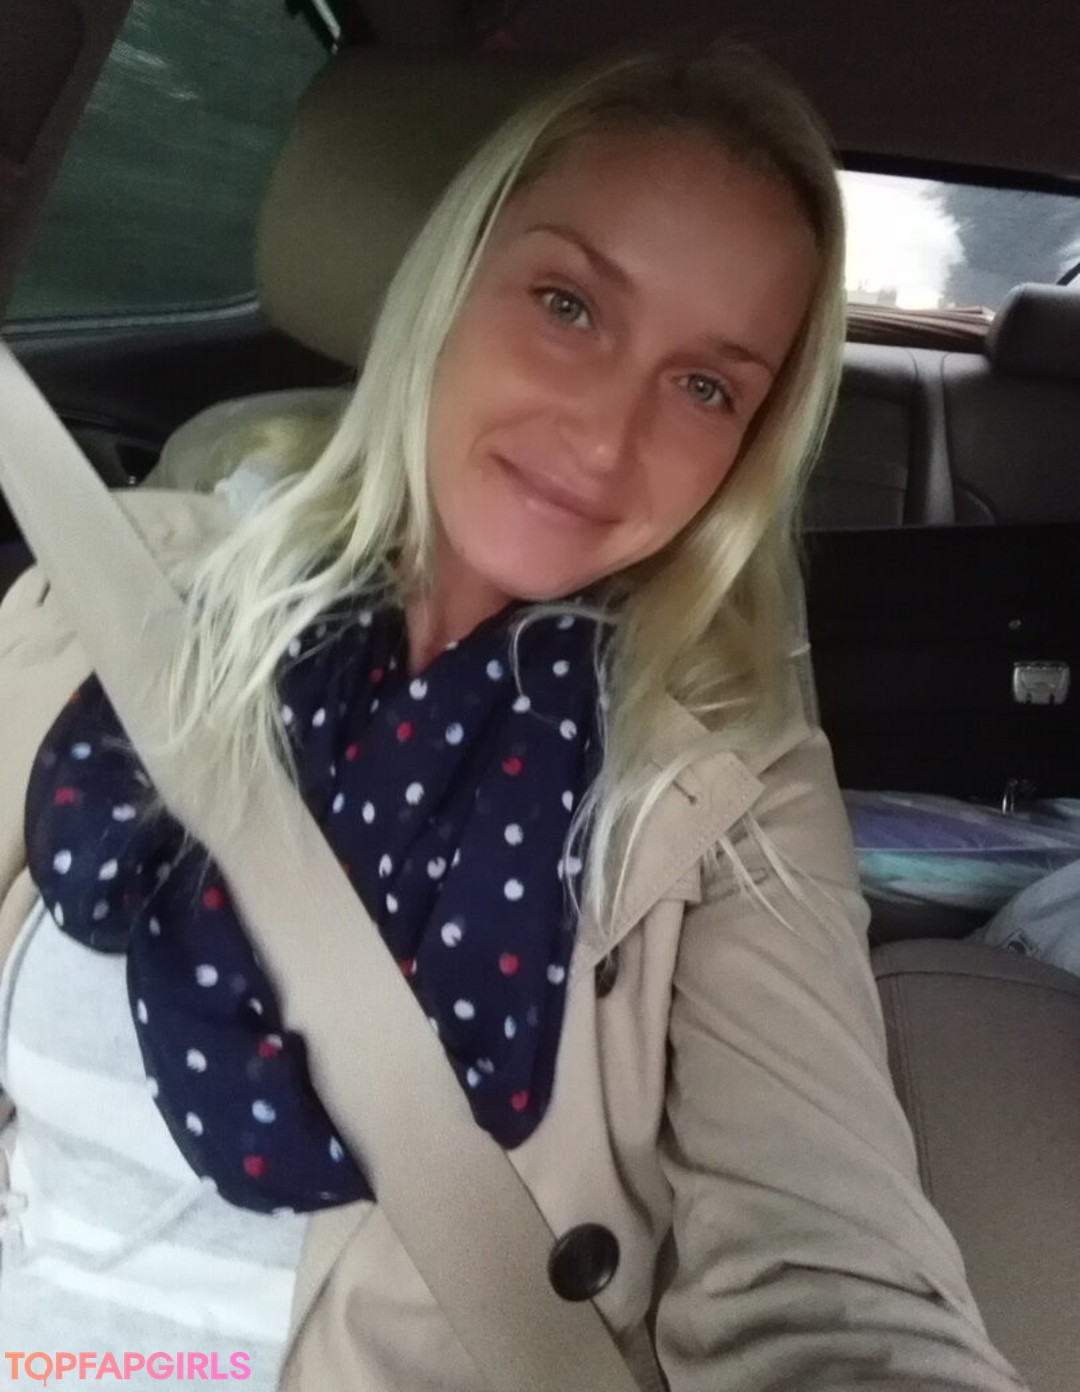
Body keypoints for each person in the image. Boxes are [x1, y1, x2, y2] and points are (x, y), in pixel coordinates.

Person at [0, 40, 1025, 1392]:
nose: (605, 437)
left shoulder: (726, 777)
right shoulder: (110, 587)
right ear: (453, 276)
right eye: (568, 304)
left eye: (706, 386)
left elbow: (828, 1266)